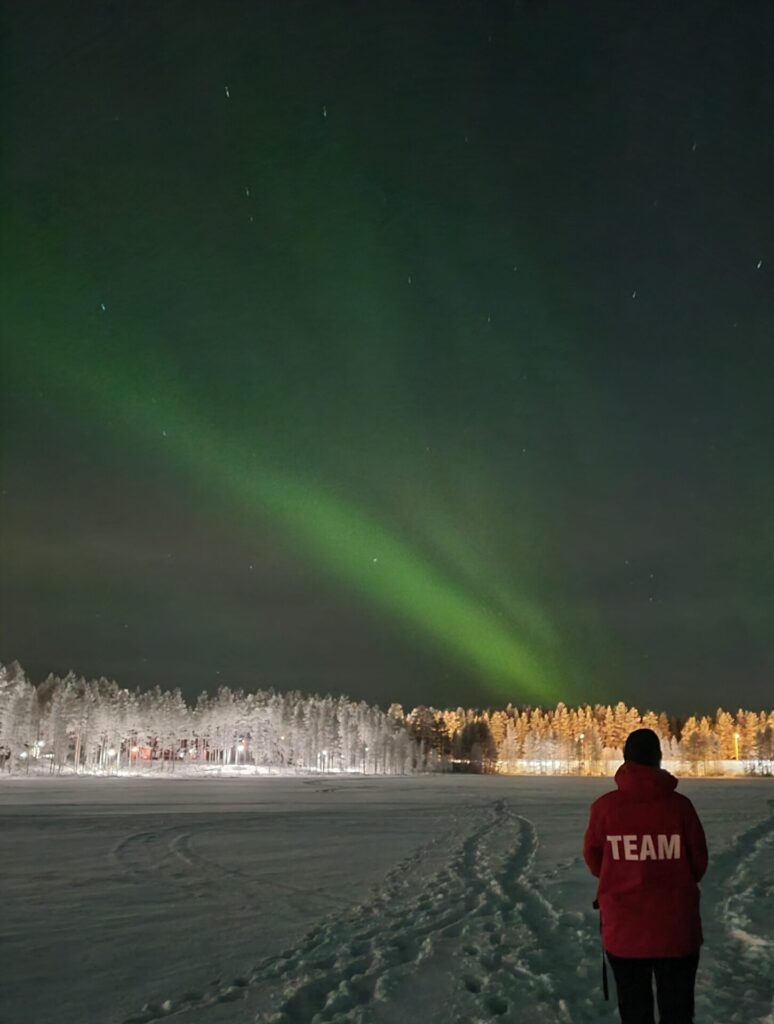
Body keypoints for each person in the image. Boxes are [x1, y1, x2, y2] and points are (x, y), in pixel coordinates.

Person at [583, 728, 708, 1024]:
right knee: (677, 1012)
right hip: (676, 930)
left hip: (624, 932)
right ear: (658, 759)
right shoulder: (681, 807)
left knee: (634, 1011)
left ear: (626, 760)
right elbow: (698, 863)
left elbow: (593, 859)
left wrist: (620, 874)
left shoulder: (605, 808)